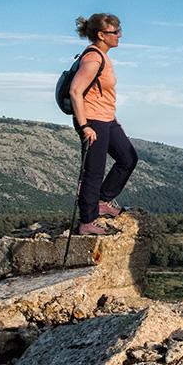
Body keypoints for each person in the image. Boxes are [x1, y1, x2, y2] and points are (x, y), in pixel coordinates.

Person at [70, 13, 138, 235]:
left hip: (107, 119)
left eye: (119, 30)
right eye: (114, 32)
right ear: (101, 35)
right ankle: (87, 221)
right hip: (92, 120)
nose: (119, 35)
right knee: (94, 171)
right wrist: (84, 126)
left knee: (128, 158)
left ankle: (103, 200)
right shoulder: (93, 58)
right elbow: (75, 91)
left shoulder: (103, 57)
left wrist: (112, 118)